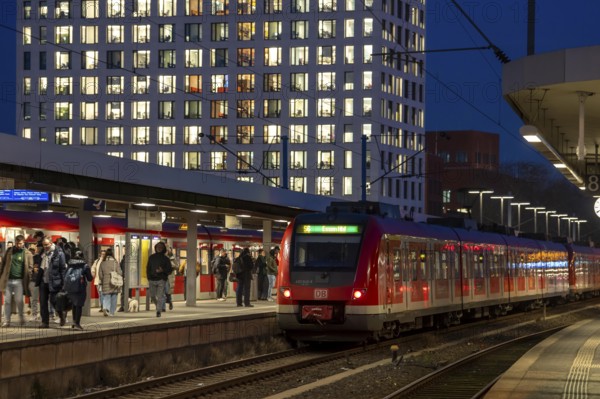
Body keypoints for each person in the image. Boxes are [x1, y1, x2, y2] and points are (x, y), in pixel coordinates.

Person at [0, 235, 33, 327]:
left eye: (21, 243)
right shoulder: (9, 251)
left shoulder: (27, 253)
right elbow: (3, 264)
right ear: (15, 242)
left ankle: (22, 318)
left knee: (19, 300)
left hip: (19, 281)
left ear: (24, 242)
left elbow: (30, 267)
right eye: (17, 243)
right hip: (7, 280)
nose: (19, 245)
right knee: (7, 301)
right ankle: (7, 321)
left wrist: (28, 277)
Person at [37, 236, 67, 328]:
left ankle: (62, 315)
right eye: (43, 245)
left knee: (54, 301)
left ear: (51, 243)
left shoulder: (59, 253)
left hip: (54, 281)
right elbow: (40, 266)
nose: (45, 247)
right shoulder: (43, 252)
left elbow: (62, 269)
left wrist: (64, 284)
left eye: (46, 245)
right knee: (43, 302)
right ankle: (45, 322)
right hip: (43, 281)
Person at [64, 249, 93, 330]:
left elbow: (65, 275)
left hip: (70, 288)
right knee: (79, 305)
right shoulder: (85, 265)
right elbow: (89, 278)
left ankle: (74, 321)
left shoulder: (70, 264)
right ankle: (77, 323)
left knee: (74, 305)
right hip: (80, 288)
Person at [146, 241, 172, 317]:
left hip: (161, 279)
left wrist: (162, 270)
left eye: (161, 247)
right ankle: (158, 307)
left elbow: (169, 270)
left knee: (160, 296)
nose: (159, 248)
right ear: (155, 248)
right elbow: (148, 268)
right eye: (158, 247)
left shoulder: (166, 259)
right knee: (153, 296)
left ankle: (158, 311)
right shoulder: (151, 257)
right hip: (152, 279)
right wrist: (149, 277)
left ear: (163, 249)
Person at [98, 248, 121, 316]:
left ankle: (105, 308)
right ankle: (111, 312)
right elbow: (120, 272)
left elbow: (100, 274)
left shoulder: (102, 263)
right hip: (114, 283)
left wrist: (103, 280)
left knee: (106, 296)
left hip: (105, 282)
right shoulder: (115, 263)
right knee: (114, 297)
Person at [27, 244, 41, 321]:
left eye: (33, 250)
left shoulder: (38, 258)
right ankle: (34, 314)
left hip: (38, 280)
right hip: (32, 281)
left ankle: (44, 315)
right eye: (30, 250)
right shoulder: (27, 259)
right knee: (33, 299)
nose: (31, 251)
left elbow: (37, 269)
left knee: (41, 300)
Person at [164, 246, 178, 311]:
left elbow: (177, 266)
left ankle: (169, 302)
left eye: (168, 250)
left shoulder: (172, 258)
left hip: (169, 277)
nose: (167, 251)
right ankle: (162, 307)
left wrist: (172, 266)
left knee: (167, 291)